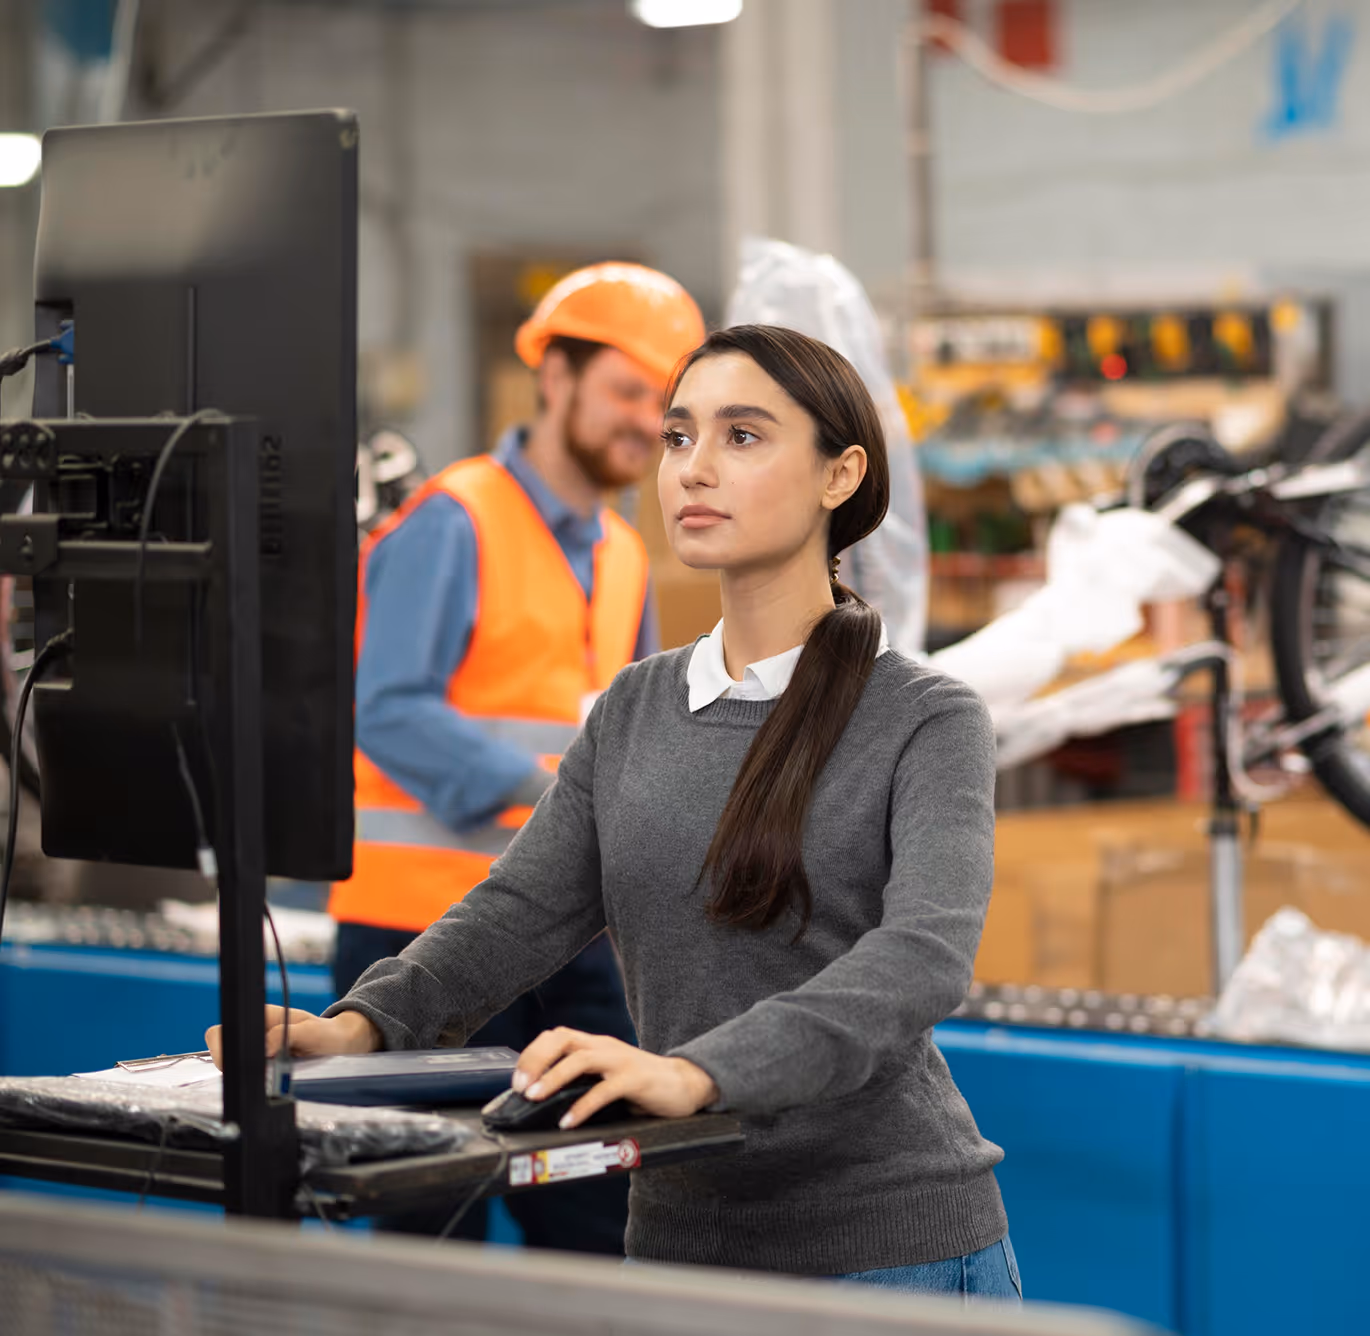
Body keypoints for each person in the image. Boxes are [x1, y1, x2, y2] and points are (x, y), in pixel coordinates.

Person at [216, 325, 1019, 1299]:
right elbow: (521, 906)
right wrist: (365, 1023)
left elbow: (917, 959)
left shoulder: (921, 716)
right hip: (678, 1242)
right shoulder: (636, 706)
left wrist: (695, 1074)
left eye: (743, 436)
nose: (692, 468)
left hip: (886, 1249)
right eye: (679, 437)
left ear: (838, 475)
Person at [327, 261, 706, 1254]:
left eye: (664, 404)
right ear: (555, 378)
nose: (643, 421)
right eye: (627, 390)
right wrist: (551, 797)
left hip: (572, 948)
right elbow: (386, 707)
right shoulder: (455, 519)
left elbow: (628, 731)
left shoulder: (624, 554)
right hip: (415, 943)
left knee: (591, 1218)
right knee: (423, 1233)